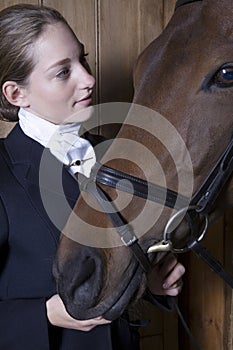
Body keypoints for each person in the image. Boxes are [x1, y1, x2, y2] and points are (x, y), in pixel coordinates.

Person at [0, 3, 185, 350]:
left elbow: (117, 265)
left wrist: (152, 283)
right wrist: (45, 315)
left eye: (82, 60)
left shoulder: (116, 156)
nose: (89, 79)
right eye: (62, 72)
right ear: (16, 94)